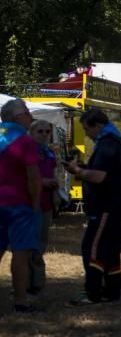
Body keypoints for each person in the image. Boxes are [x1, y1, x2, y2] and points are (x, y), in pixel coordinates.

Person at [63, 109, 121, 306]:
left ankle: (92, 293)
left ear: (98, 126)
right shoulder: (113, 141)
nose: (86, 134)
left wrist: (77, 170)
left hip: (106, 206)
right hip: (114, 204)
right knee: (109, 249)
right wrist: (84, 167)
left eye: (87, 129)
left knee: (92, 247)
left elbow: (100, 176)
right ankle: (111, 291)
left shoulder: (107, 144)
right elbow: (104, 172)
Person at [0, 99, 42, 312]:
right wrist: (35, 204)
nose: (31, 117)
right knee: (21, 253)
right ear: (18, 117)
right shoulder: (26, 142)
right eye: (27, 113)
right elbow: (33, 177)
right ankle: (20, 300)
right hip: (18, 205)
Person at [29, 119, 59, 294]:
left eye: (47, 131)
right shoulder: (28, 152)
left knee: (41, 243)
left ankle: (37, 283)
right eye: (40, 131)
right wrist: (42, 182)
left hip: (46, 204)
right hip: (30, 204)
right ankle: (28, 283)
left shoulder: (48, 153)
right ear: (31, 133)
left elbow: (53, 173)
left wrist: (56, 194)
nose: (44, 135)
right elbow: (21, 178)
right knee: (29, 245)